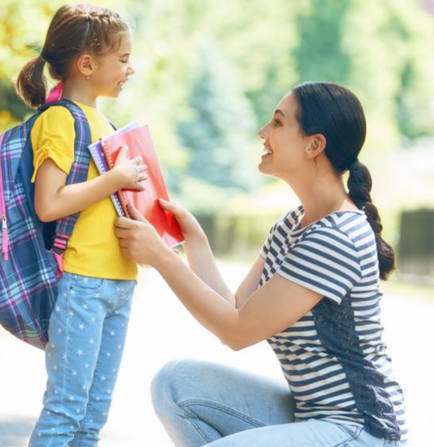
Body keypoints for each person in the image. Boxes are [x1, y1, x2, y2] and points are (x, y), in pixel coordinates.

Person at [115, 81, 407, 446]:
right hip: (311, 416)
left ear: (314, 144)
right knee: (176, 384)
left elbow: (237, 333)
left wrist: (160, 259)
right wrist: (196, 244)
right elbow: (236, 310)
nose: (263, 132)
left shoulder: (337, 236)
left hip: (361, 431)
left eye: (278, 123)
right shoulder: (294, 223)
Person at [15, 4, 148, 446]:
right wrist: (116, 178)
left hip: (119, 283)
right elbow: (49, 204)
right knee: (66, 410)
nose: (131, 68)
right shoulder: (60, 119)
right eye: (124, 58)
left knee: (92, 416)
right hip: (82, 284)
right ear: (87, 64)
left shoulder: (106, 123)